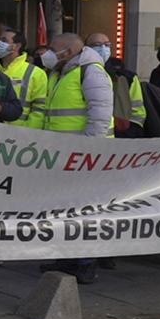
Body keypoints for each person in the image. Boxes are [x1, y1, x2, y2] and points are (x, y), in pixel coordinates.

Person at [41, 32, 114, 284]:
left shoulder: (90, 72)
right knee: (63, 210)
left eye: (53, 49)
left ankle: (86, 262)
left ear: (68, 52)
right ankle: (66, 258)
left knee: (85, 212)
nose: (48, 54)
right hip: (62, 156)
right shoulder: (62, 73)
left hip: (85, 158)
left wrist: (88, 152)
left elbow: (101, 115)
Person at [87, 32, 145, 137]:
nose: (103, 48)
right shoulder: (80, 73)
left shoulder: (128, 77)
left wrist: (129, 132)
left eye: (107, 45)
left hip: (122, 136)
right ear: (87, 48)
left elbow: (138, 111)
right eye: (97, 45)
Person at [0, 29, 47, 129]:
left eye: (4, 40)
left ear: (17, 46)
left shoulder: (35, 73)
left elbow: (39, 108)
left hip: (19, 133)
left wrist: (28, 132)